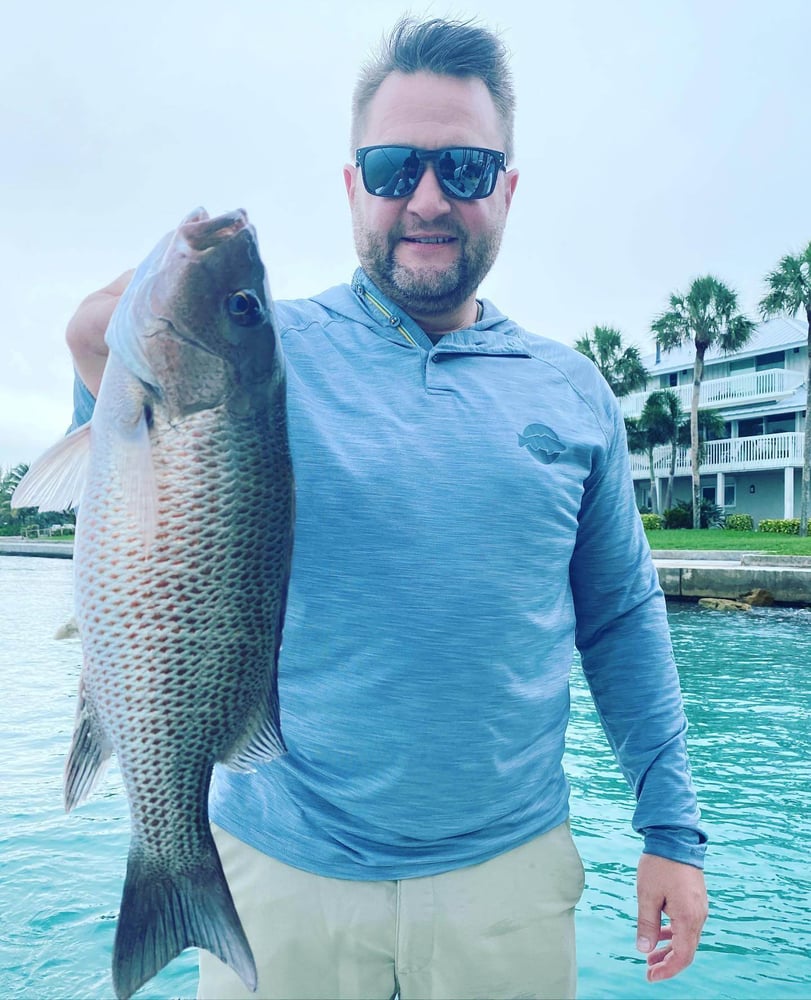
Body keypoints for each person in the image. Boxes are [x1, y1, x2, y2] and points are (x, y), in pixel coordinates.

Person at [65, 16, 708, 1000]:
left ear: (508, 185)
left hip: (510, 879)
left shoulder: (574, 391)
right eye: (393, 164)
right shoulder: (265, 352)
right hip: (275, 870)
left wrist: (670, 831)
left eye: (463, 166)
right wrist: (94, 364)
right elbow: (140, 501)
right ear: (351, 182)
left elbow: (620, 619)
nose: (426, 197)